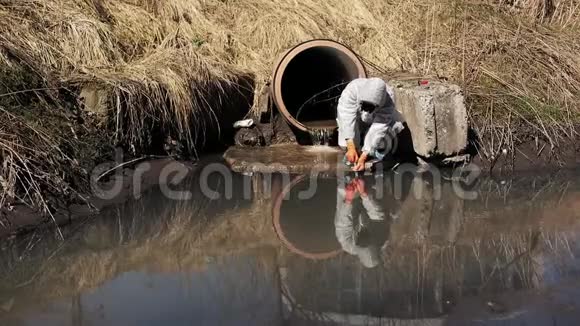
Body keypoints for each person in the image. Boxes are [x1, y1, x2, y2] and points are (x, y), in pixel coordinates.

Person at [336, 78, 404, 171]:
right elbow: (346, 117)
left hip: (374, 122)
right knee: (346, 138)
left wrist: (364, 155)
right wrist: (350, 146)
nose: (367, 110)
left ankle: (379, 154)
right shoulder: (352, 90)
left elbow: (378, 128)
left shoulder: (388, 100)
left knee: (384, 135)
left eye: (370, 107)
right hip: (358, 120)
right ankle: (353, 151)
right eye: (364, 106)